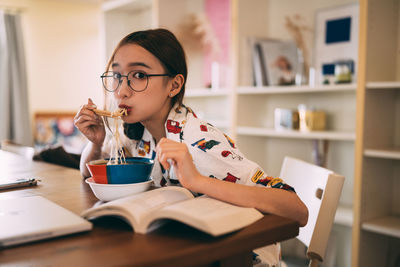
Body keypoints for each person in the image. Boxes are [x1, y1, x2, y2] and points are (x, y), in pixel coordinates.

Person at [74, 28, 308, 265]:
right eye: (117, 76)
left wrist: (197, 181)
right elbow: (88, 174)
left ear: (173, 86)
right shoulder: (137, 132)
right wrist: (96, 143)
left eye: (139, 75)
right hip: (189, 248)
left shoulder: (198, 142)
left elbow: (297, 209)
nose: (122, 91)